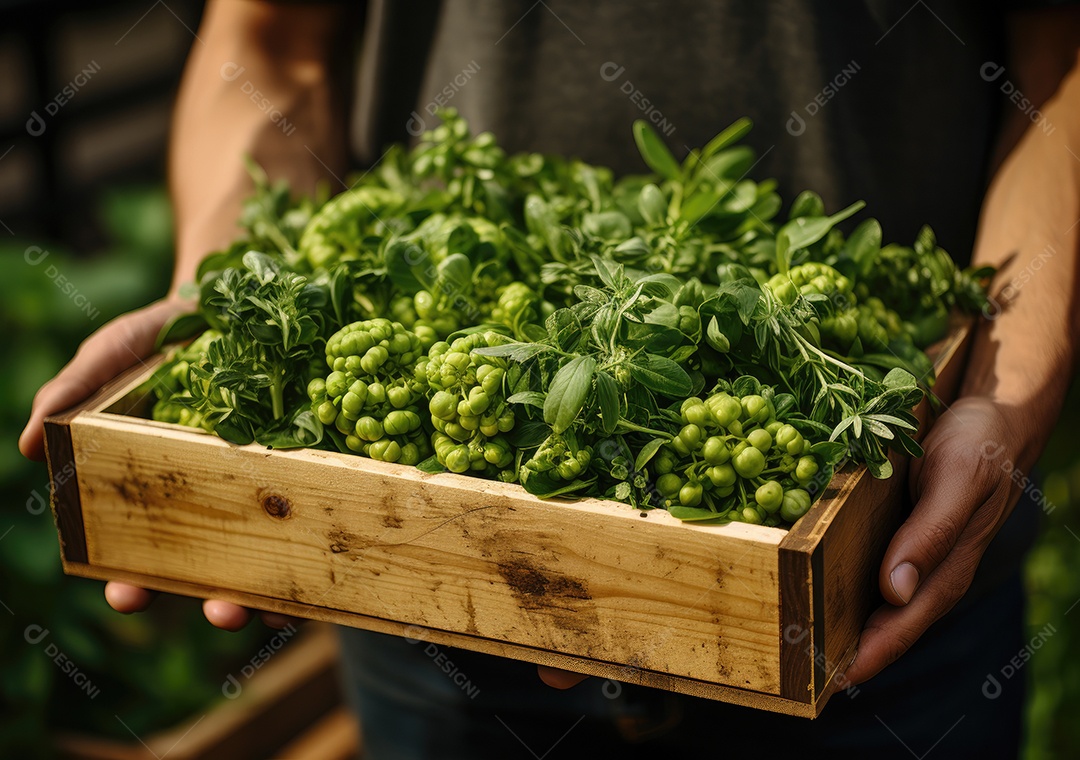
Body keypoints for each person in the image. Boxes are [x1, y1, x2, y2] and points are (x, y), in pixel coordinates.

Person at [20, 1, 1080, 756]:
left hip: (875, 615)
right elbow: (269, 41)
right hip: (430, 635)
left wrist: (1007, 383)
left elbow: (1059, 61)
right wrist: (235, 291)